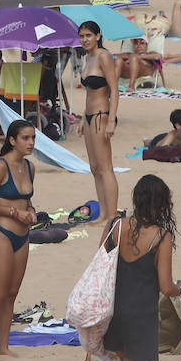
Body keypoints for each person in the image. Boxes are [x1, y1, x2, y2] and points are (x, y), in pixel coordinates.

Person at [103, 174, 181, 361]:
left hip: (114, 311)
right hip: (141, 315)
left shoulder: (116, 226)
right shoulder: (161, 237)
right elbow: (166, 287)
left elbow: (100, 265)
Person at [0, 118, 37, 359]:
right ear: (12, 140)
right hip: (0, 233)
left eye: (33, 138)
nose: (30, 142)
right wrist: (14, 212)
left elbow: (26, 200)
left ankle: (3, 346)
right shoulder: (0, 166)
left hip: (23, 235)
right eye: (25, 138)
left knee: (12, 293)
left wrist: (30, 211)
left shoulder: (30, 167)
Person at [79, 20, 120, 224]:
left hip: (101, 116)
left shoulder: (104, 56)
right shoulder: (88, 57)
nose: (85, 40)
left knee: (105, 167)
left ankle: (111, 215)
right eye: (82, 36)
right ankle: (103, 213)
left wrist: (112, 120)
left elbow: (114, 90)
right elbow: (88, 92)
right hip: (88, 117)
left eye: (88, 35)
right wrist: (80, 119)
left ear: (98, 35)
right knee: (94, 167)